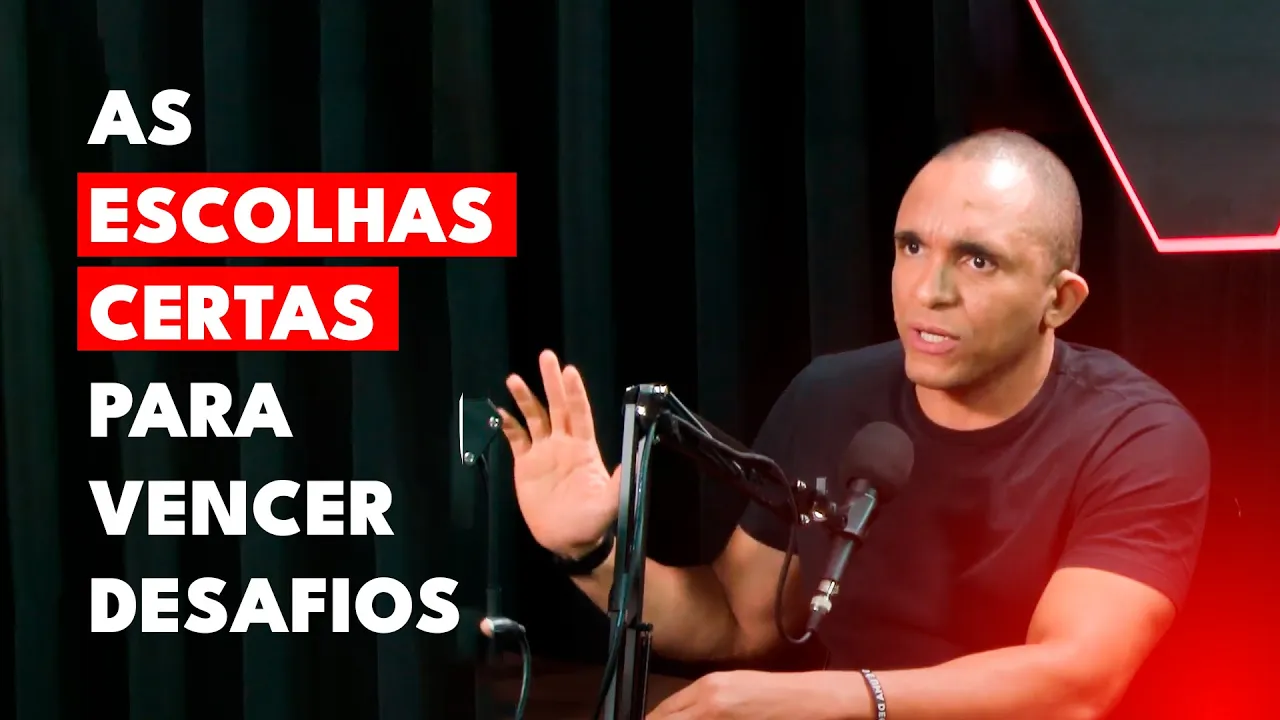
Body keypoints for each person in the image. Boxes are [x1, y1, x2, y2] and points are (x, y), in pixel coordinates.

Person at [498, 129, 1210, 719]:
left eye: (978, 260)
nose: (929, 291)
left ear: (1059, 301)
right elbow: (740, 618)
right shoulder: (831, 395)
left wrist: (835, 698)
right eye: (911, 248)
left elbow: (1073, 685)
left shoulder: (1138, 436)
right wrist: (590, 551)